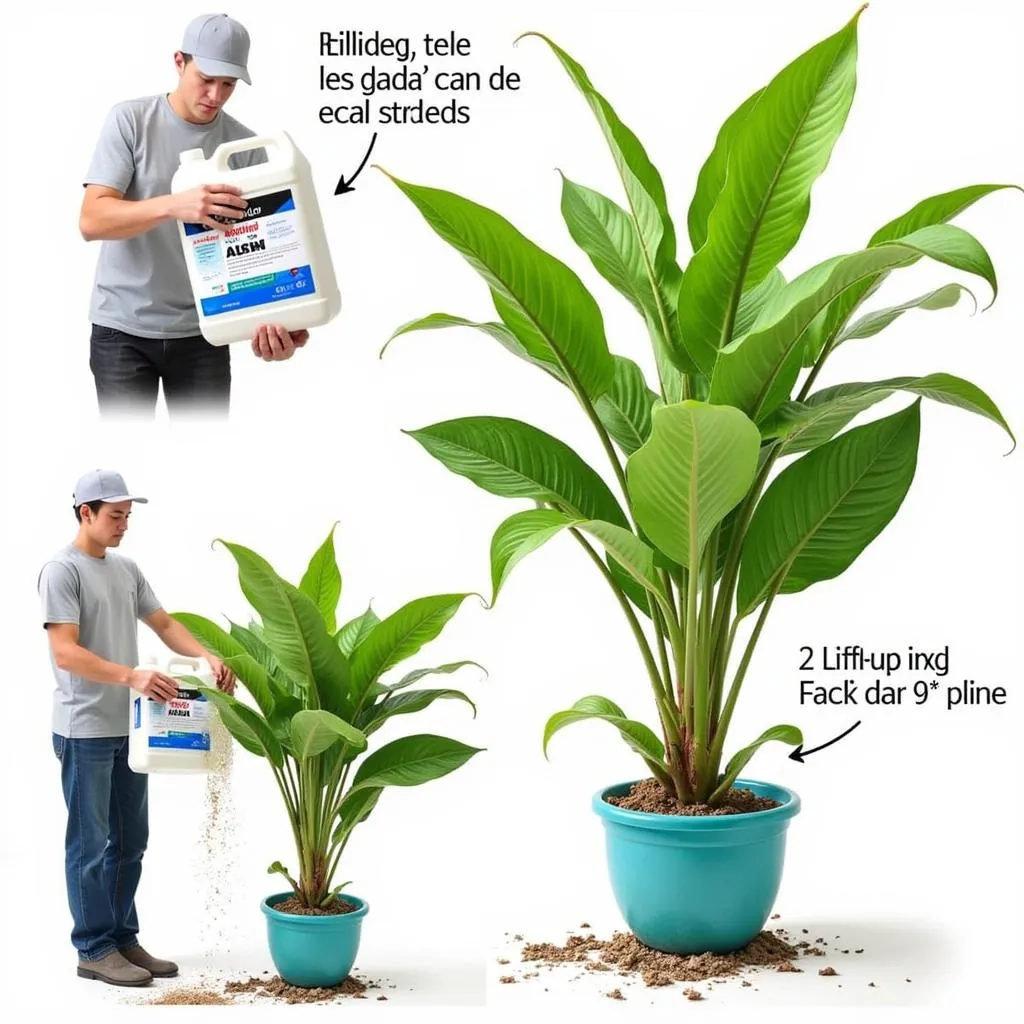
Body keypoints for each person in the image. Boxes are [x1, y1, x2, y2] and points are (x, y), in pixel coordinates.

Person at [39, 470, 237, 987]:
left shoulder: (126, 568)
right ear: (86, 513)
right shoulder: (62, 571)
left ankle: (123, 937)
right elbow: (64, 650)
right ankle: (93, 947)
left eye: (129, 515)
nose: (125, 524)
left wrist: (208, 656)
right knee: (89, 843)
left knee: (130, 840)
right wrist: (131, 675)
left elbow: (164, 623)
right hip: (84, 729)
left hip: (129, 728)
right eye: (115, 515)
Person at [79, 13, 310, 418]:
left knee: (206, 460)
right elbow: (92, 220)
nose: (216, 95)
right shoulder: (130, 121)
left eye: (229, 84)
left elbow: (264, 251)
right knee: (125, 451)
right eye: (206, 78)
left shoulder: (245, 148)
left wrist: (281, 322)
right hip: (122, 330)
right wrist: (175, 205)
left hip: (205, 332)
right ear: (179, 62)